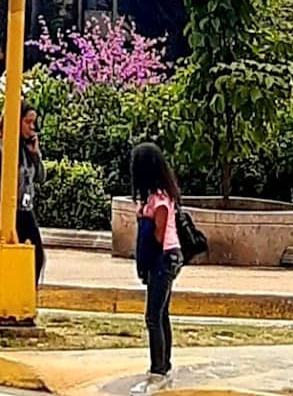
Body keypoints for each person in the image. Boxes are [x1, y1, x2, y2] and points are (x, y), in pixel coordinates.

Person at [131, 140, 183, 395]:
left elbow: (159, 234)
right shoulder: (157, 195)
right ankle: (164, 366)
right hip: (166, 259)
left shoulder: (160, 199)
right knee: (162, 315)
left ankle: (158, 372)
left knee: (153, 317)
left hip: (163, 259)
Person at [0, 102, 46, 283]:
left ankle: (27, 295)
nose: (31, 127)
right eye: (27, 122)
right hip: (1, 210)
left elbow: (40, 177)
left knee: (36, 255)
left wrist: (35, 154)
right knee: (7, 257)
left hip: (23, 210)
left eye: (33, 123)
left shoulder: (25, 147)